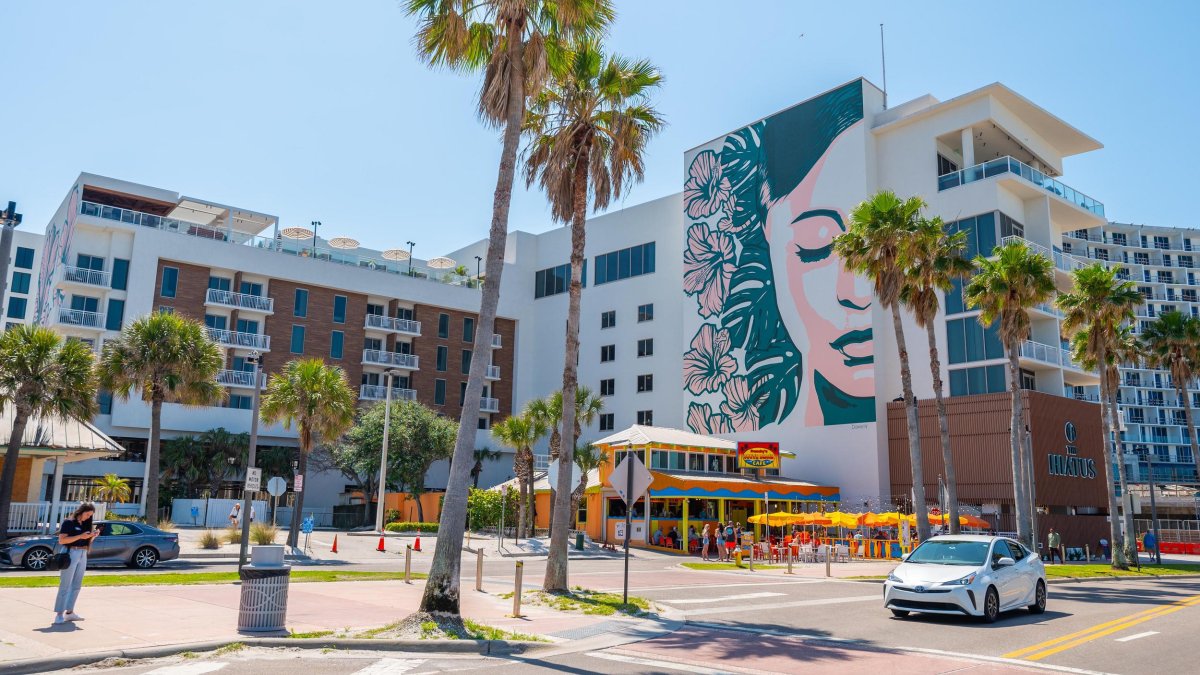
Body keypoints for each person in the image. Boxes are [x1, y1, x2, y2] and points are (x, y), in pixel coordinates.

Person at [54, 503, 98, 625]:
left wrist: (93, 536)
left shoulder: (85, 524)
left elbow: (85, 540)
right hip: (70, 553)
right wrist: (80, 536)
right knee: (65, 584)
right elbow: (62, 540)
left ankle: (69, 612)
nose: (88, 517)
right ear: (81, 511)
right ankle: (59, 614)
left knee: (77, 585)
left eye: (90, 515)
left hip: (83, 553)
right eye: (87, 514)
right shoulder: (69, 522)